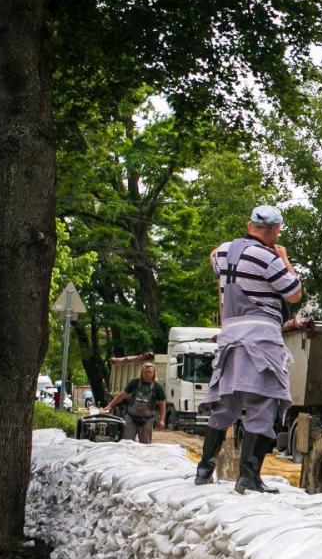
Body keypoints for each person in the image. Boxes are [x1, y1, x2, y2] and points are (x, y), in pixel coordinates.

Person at [194, 205, 303, 493]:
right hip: (261, 340)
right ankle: (249, 476)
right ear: (274, 230)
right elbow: (294, 293)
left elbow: (212, 258)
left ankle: (204, 469)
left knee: (225, 404)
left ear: (249, 224)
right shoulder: (269, 258)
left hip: (230, 338)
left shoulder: (223, 252)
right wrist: (285, 258)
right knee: (263, 406)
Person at [105, 362, 167, 444]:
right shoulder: (134, 383)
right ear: (141, 373)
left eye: (150, 372)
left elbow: (162, 404)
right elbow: (122, 395)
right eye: (145, 372)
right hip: (131, 418)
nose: (147, 374)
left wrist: (162, 420)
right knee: (126, 444)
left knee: (145, 446)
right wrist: (110, 405)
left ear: (154, 373)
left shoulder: (157, 387)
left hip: (146, 421)